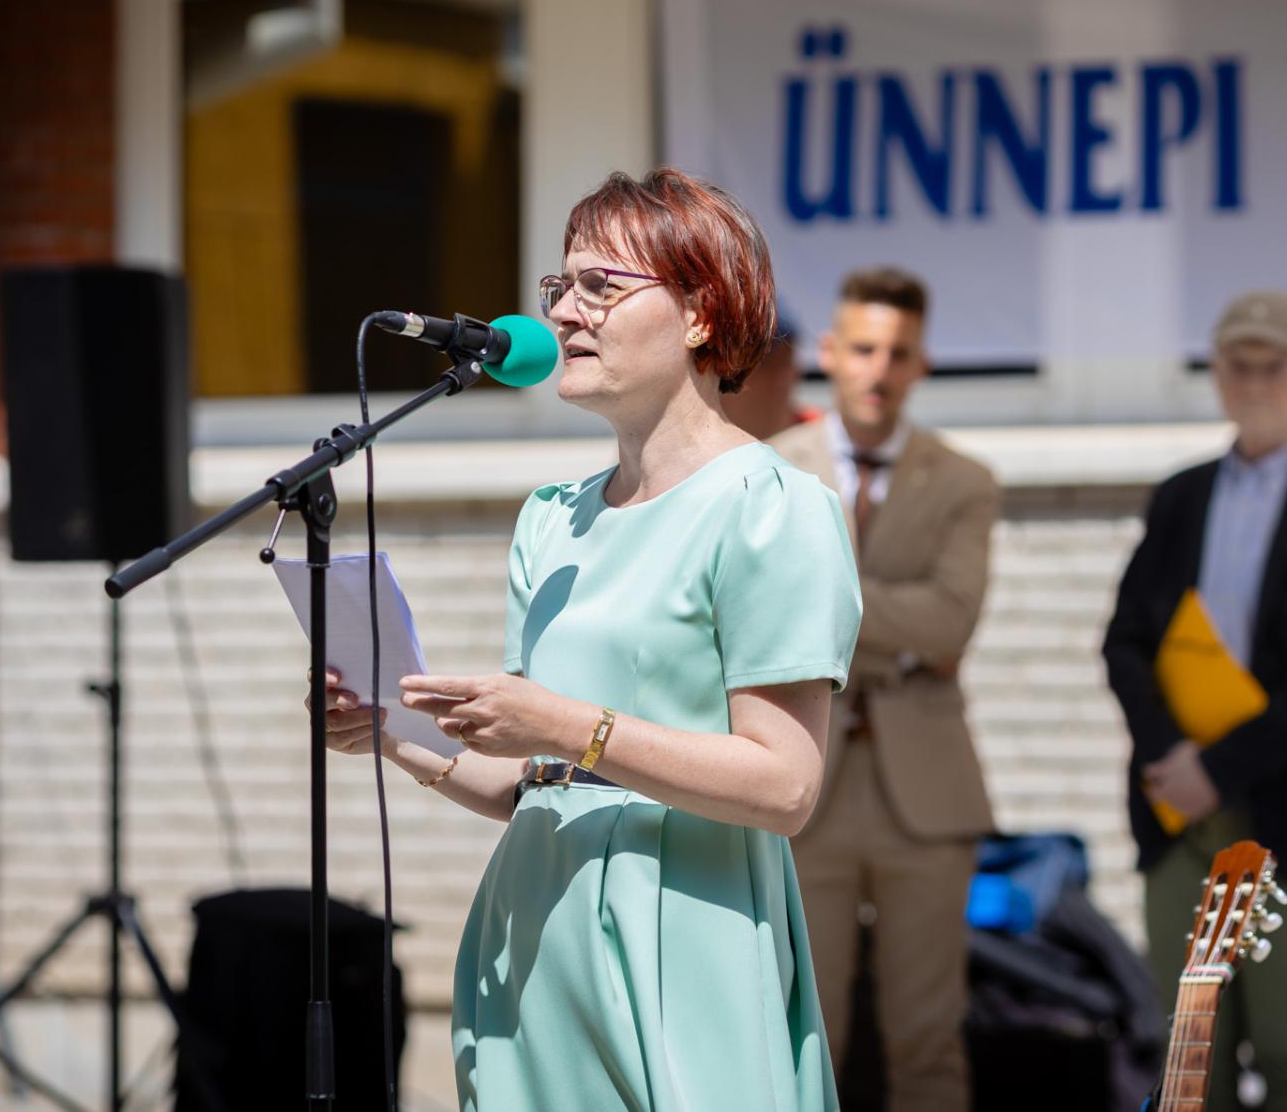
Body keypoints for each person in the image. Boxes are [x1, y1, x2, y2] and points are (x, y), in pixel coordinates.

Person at [311, 168, 863, 1111]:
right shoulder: (552, 518)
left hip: (685, 938)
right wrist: (392, 730)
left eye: (601, 286)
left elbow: (785, 787)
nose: (566, 312)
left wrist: (567, 725)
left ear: (701, 314)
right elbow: (537, 785)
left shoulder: (773, 508)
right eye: (559, 287)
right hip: (536, 932)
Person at [1103, 291, 1287, 1112]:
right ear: (1217, 374)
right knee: (1188, 1056)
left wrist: (1218, 768)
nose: (1257, 382)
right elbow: (1125, 641)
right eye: (1239, 364)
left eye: (1276, 365)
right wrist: (1171, 758)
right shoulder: (1180, 496)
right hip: (1177, 814)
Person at [770, 267, 999, 1112]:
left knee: (927, 1038)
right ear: (829, 353)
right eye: (864, 349)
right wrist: (902, 636)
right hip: (802, 775)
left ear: (922, 364)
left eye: (898, 353)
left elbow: (952, 619)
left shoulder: (964, 477)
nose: (879, 369)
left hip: (925, 790)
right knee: (800, 1033)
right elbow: (757, 611)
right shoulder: (769, 467)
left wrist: (825, 604)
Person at [724, 304, 822, 440]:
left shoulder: (823, 434)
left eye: (786, 360)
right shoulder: (699, 439)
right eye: (764, 361)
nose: (779, 378)